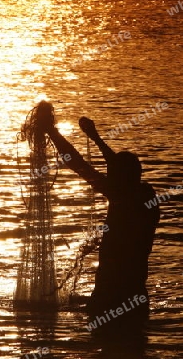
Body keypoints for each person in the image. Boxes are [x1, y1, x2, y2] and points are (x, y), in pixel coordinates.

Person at [42, 102, 160, 321]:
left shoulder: (127, 198)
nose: (109, 176)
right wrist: (93, 137)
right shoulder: (142, 196)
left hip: (113, 296)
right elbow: (100, 166)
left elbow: (78, 164)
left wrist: (54, 132)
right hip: (132, 297)